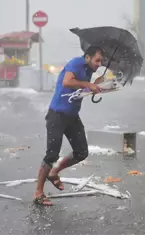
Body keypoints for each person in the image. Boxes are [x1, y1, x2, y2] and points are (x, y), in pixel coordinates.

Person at [33, 46, 105, 206]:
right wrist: (88, 84)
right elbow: (67, 82)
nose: (99, 64)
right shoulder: (77, 63)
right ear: (87, 57)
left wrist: (95, 86)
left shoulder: (89, 69)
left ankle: (54, 172)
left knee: (81, 152)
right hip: (57, 115)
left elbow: (78, 90)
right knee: (51, 154)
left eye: (102, 61)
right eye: (97, 60)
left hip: (72, 117)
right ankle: (38, 192)